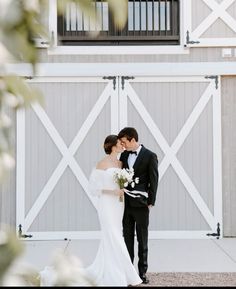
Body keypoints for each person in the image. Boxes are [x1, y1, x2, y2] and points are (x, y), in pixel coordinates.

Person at [85, 134, 142, 286]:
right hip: (107, 203)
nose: (122, 144)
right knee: (113, 234)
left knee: (115, 234)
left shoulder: (121, 163)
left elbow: (122, 182)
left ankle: (112, 268)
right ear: (111, 146)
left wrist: (123, 189)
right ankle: (126, 274)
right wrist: (113, 192)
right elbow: (93, 187)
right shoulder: (102, 163)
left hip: (119, 204)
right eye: (119, 143)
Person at [118, 127, 159, 285]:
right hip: (126, 205)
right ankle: (129, 272)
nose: (122, 145)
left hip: (142, 204)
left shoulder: (150, 156)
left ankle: (142, 273)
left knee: (142, 240)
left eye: (124, 142)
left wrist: (151, 202)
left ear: (132, 139)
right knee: (127, 239)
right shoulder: (124, 155)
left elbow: (154, 180)